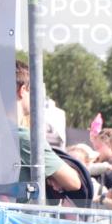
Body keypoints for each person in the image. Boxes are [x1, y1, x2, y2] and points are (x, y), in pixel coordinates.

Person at [12, 60, 82, 199]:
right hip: (18, 219)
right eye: (33, 90)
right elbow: (74, 182)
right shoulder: (24, 138)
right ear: (22, 90)